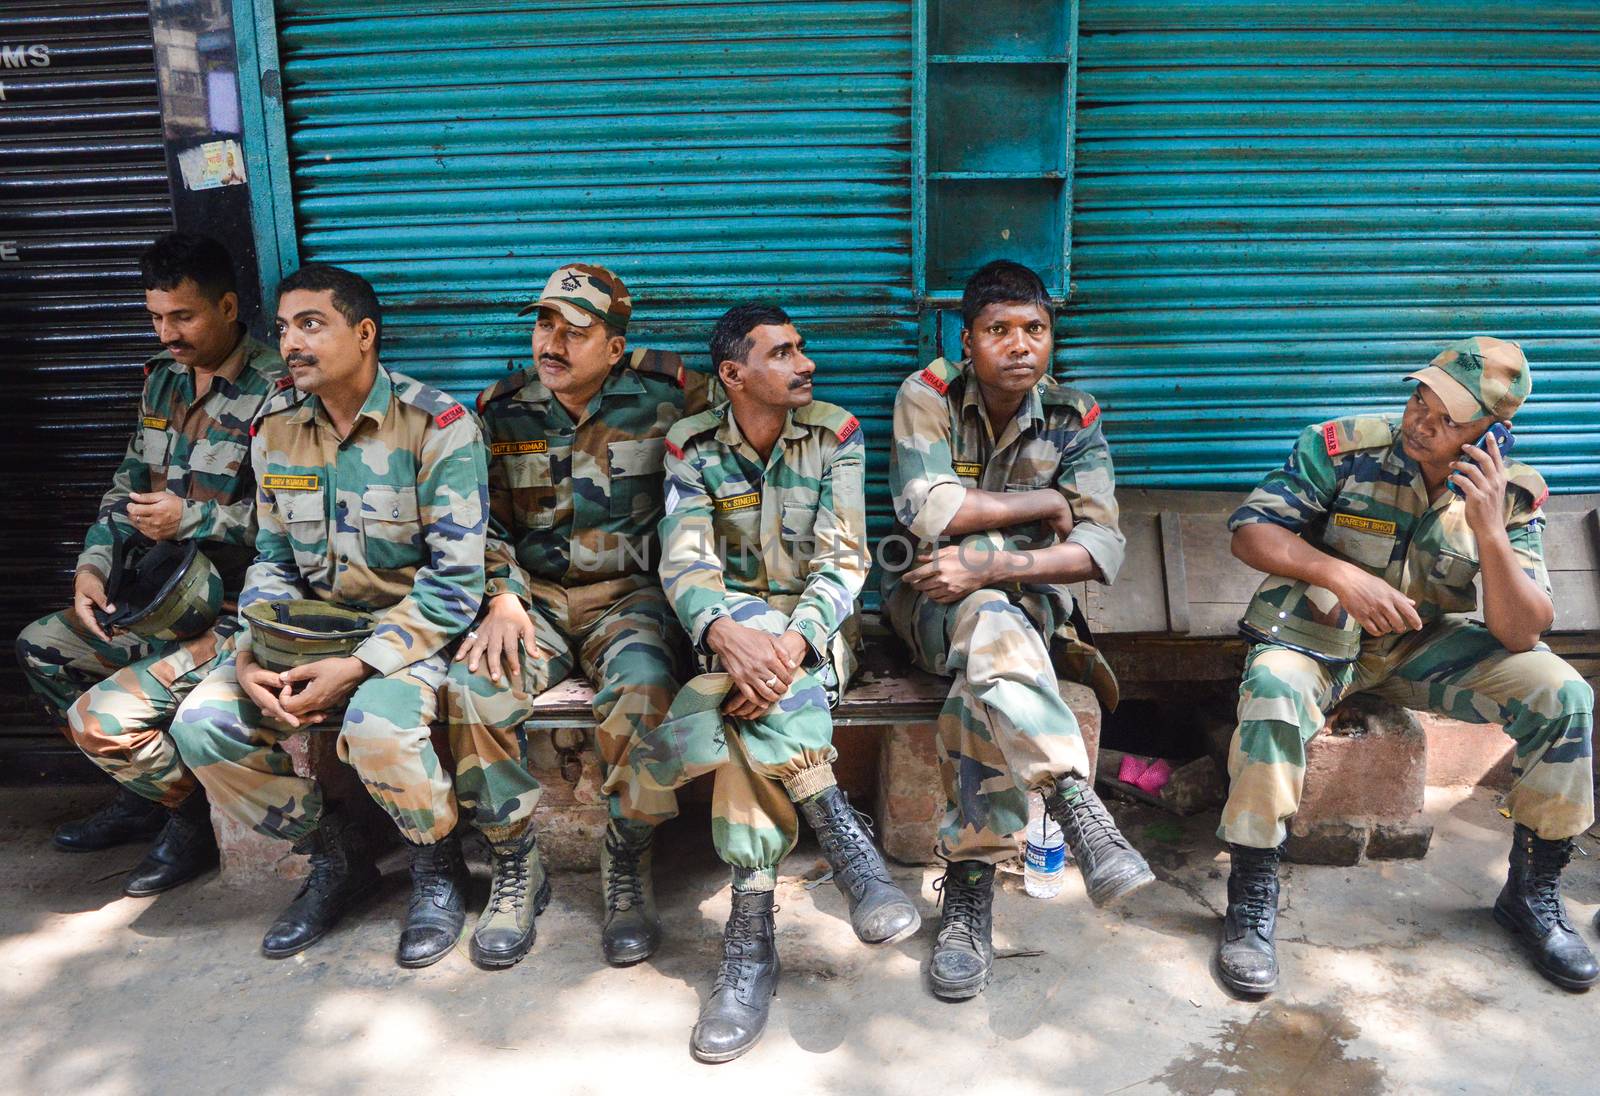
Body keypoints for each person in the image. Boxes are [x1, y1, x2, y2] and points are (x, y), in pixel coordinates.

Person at [1215, 336, 1596, 995]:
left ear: (1493, 433)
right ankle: (1251, 891)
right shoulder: (1344, 447)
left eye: (1450, 417)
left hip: (1418, 648)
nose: (1423, 420)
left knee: (1564, 694)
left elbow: (1521, 628)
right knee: (1274, 689)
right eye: (1421, 398)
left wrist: (1488, 532)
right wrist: (1338, 572)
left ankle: (1532, 891)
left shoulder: (1511, 495)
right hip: (1317, 635)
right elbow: (1252, 530)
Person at [606, 303, 918, 1063]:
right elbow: (684, 558)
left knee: (737, 705)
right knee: (739, 687)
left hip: (813, 634)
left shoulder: (837, 432)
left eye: (802, 349)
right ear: (733, 374)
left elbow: (844, 560)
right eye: (783, 353)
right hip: (725, 635)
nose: (806, 363)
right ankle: (837, 832)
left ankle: (750, 947)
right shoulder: (689, 443)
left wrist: (787, 645)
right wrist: (723, 630)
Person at [171, 263, 494, 968]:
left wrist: (358, 668)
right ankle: (334, 854)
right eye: (284, 327)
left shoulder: (436, 427)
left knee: (377, 728)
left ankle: (436, 867)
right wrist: (251, 652)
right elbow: (274, 556)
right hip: (301, 632)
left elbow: (454, 582)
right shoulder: (276, 431)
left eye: (311, 324)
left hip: (406, 636)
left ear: (365, 333)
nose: (290, 343)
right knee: (203, 725)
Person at [882, 259, 1152, 1000]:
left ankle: (969, 890)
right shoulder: (928, 394)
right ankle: (1070, 797)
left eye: (1034, 329)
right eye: (998, 330)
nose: (1019, 345)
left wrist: (989, 563)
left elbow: (1103, 548)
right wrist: (1041, 504)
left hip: (1018, 609)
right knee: (982, 621)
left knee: (987, 661)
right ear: (966, 340)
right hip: (926, 602)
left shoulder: (1076, 415)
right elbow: (930, 511)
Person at [448, 263, 707, 968]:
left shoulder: (671, 399)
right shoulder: (500, 410)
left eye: (575, 331)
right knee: (472, 689)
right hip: (533, 605)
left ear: (615, 348)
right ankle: (515, 866)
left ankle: (627, 859)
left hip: (631, 598)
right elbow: (481, 522)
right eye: (543, 324)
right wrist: (501, 593)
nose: (552, 343)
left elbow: (725, 470)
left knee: (647, 688)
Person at [16, 232, 283, 896]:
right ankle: (150, 797)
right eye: (156, 317)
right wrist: (93, 568)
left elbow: (299, 526)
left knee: (99, 719)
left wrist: (190, 518)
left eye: (183, 316)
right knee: (43, 648)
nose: (168, 332)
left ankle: (192, 819)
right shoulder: (162, 382)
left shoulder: (278, 390)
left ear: (227, 307)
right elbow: (125, 489)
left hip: (235, 613)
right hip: (160, 597)